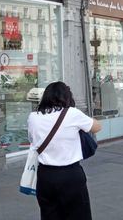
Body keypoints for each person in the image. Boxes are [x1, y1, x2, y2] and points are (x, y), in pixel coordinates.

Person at [27, 82, 102, 220]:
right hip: (70, 175)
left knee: (49, 214)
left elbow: (32, 140)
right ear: (67, 97)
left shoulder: (33, 117)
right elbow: (97, 127)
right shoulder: (72, 114)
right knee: (78, 215)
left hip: (45, 176)